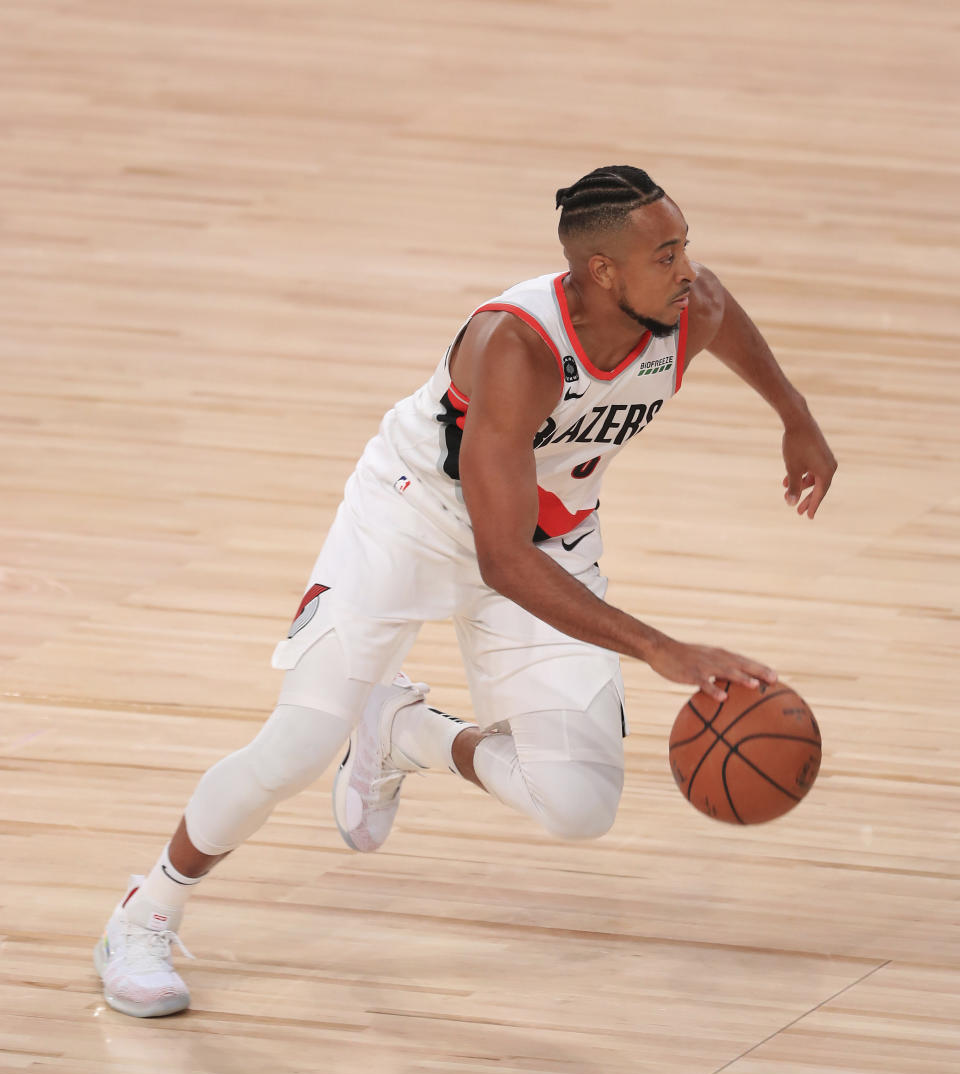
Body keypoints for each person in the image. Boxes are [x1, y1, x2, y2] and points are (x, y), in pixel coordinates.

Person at [94, 165, 837, 1017]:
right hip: (414, 521)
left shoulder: (683, 305)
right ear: (601, 272)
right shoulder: (516, 345)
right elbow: (499, 561)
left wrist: (796, 416)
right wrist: (662, 648)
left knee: (578, 806)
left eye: (685, 247)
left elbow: (722, 314)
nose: (687, 269)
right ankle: (145, 910)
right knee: (297, 745)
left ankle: (407, 730)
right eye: (666, 254)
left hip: (550, 537)